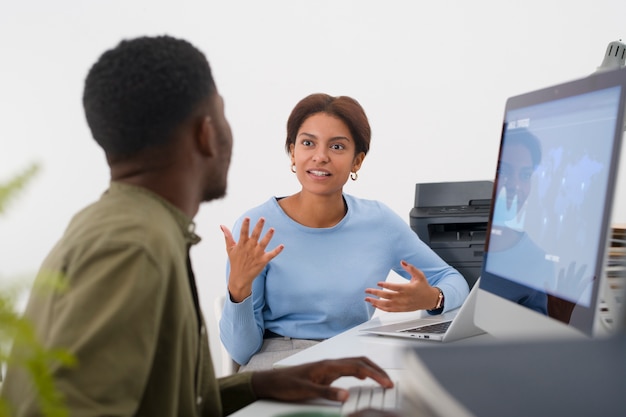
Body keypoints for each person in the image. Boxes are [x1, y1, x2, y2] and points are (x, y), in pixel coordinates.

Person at [0, 35, 394, 417]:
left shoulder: (123, 224)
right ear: (206, 133)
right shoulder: (132, 248)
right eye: (221, 114)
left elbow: (160, 400)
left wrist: (258, 385)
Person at [219, 93, 470, 371]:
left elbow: (452, 279)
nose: (320, 157)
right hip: (279, 361)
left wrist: (433, 298)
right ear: (293, 152)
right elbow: (242, 353)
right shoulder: (257, 227)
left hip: (356, 356)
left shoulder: (379, 222)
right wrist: (238, 290)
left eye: (337, 147)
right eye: (307, 143)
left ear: (357, 161)